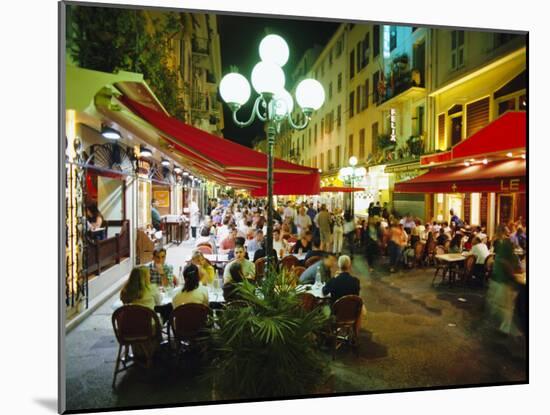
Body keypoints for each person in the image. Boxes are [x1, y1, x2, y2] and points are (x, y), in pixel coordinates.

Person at [486, 225, 522, 336]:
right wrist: (512, 274)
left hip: (500, 279)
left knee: (503, 306)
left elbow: (503, 261)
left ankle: (506, 329)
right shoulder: (505, 244)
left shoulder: (502, 243)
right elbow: (505, 262)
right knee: (503, 306)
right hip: (501, 279)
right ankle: (507, 328)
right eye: (507, 231)